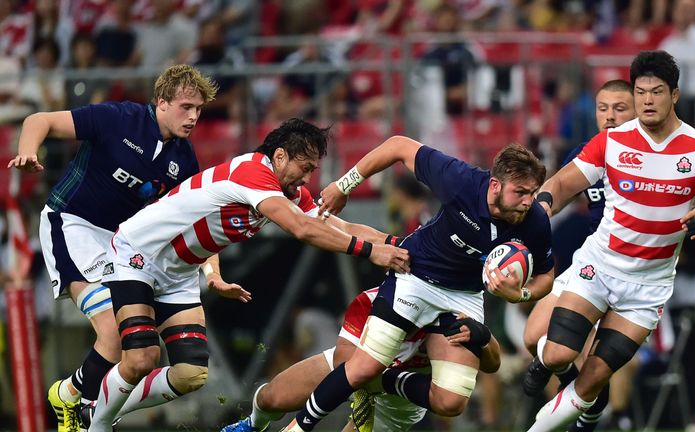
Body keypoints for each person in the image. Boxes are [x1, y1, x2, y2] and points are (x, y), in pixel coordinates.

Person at [86, 118, 409, 431]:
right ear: (279, 156)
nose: (308, 178)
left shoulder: (290, 193)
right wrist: (370, 253)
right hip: (139, 253)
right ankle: (96, 424)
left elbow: (343, 227)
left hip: (180, 272)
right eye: (306, 167)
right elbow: (301, 228)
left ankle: (98, 409)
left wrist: (401, 245)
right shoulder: (253, 173)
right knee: (142, 359)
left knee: (191, 374)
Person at [277, 137, 555, 432]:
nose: (528, 200)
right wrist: (343, 185)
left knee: (451, 401)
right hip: (415, 276)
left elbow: (546, 277)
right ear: (495, 185)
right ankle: (296, 428)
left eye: (533, 192)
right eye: (521, 192)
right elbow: (398, 145)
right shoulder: (460, 180)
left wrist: (521, 294)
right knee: (361, 367)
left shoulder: (534, 220)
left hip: (464, 296)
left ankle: (380, 381)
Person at [7, 64, 220, 432]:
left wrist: (212, 272)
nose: (193, 117)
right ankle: (82, 406)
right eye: (186, 107)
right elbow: (39, 120)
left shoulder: (184, 160)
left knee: (145, 354)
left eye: (199, 110)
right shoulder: (117, 118)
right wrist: (28, 152)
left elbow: (197, 224)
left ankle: (74, 397)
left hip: (122, 246)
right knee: (113, 334)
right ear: (161, 102)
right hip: (72, 225)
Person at [523, 50, 695, 432]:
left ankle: (569, 421)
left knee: (592, 380)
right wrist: (545, 204)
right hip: (599, 268)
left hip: (648, 289)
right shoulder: (611, 142)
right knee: (555, 354)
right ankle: (551, 369)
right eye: (641, 92)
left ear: (675, 95)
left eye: (657, 92)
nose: (648, 100)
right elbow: (565, 181)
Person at [220, 287, 503, 432]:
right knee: (273, 397)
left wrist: (484, 337)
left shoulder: (453, 315)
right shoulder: (371, 300)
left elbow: (492, 365)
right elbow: (346, 361)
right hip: (357, 366)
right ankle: (252, 425)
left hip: (400, 402)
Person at [522, 79, 637, 432]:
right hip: (591, 262)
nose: (610, 117)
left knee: (586, 359)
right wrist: (530, 218)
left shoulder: (651, 159)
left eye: (620, 109)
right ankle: (588, 398)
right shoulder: (587, 153)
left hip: (632, 273)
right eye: (604, 109)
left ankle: (596, 412)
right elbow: (557, 189)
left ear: (639, 111)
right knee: (532, 338)